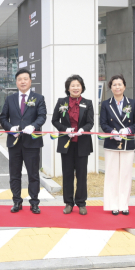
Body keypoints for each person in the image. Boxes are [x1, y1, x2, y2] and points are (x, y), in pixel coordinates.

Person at [0, 68, 47, 214]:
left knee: (33, 174)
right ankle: (17, 201)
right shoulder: (10, 99)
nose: (23, 81)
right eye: (20, 79)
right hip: (14, 143)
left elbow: (42, 116)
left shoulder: (38, 98)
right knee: (14, 174)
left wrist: (34, 126)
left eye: (25, 79)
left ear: (30, 81)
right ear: (16, 82)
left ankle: (34, 202)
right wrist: (10, 128)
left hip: (32, 143)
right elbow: (2, 118)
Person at [99, 75, 135, 216]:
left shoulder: (133, 103)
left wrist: (128, 130)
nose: (117, 87)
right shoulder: (106, 104)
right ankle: (113, 204)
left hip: (127, 142)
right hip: (111, 142)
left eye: (120, 84)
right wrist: (112, 132)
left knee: (125, 174)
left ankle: (124, 204)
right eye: (114, 85)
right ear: (110, 87)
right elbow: (103, 123)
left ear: (124, 86)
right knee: (111, 174)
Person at [51, 75, 94, 215]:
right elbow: (54, 120)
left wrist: (83, 130)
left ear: (82, 87)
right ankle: (68, 203)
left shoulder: (88, 103)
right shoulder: (61, 102)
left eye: (78, 85)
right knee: (67, 174)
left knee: (81, 175)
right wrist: (65, 129)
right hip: (66, 143)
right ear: (68, 88)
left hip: (82, 143)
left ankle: (81, 203)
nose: (76, 88)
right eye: (73, 85)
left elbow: (90, 122)